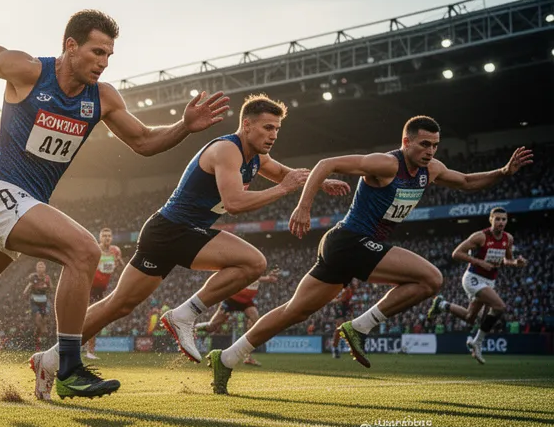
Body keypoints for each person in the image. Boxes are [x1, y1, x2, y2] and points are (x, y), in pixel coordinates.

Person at [0, 9, 231, 400]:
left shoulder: (103, 98)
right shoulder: (28, 71)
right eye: (97, 52)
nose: (104, 62)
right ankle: (68, 367)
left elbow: (145, 142)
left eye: (109, 56)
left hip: (24, 205)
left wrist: (185, 126)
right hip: (0, 193)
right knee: (84, 251)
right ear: (70, 46)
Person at [28, 94, 350, 399]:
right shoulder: (228, 151)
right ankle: (185, 314)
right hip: (173, 231)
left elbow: (285, 172)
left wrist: (319, 182)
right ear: (247, 125)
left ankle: (52, 358)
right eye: (268, 127)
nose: (273, 135)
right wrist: (283, 191)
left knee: (119, 305)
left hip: (168, 233)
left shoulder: (256, 157)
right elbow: (235, 202)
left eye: (277, 129)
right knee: (253, 263)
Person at [208, 116, 533, 394]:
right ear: (406, 141)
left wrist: (503, 171)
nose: (429, 151)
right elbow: (327, 164)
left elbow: (465, 181)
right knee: (431, 278)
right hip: (350, 241)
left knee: (294, 311)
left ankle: (226, 358)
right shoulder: (386, 164)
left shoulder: (431, 169)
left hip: (348, 247)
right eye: (423, 145)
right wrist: (303, 206)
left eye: (434, 145)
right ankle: (360, 327)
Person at [427, 207, 527, 364]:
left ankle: (442, 304)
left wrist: (516, 262)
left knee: (470, 317)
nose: (501, 222)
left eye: (504, 219)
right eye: (498, 219)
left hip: (489, 281)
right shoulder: (480, 236)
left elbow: (507, 260)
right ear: (491, 219)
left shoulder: (508, 239)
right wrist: (479, 262)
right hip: (473, 278)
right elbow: (457, 253)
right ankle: (477, 342)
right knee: (499, 307)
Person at [196, 267, 283, 366]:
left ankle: (248, 357)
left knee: (256, 321)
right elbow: (255, 277)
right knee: (211, 327)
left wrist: (269, 277)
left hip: (245, 303)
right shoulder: (248, 273)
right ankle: (193, 328)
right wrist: (267, 278)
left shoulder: (257, 276)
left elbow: (261, 278)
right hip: (230, 300)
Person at [85, 227, 124, 359]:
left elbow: (119, 266)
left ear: (111, 238)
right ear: (100, 238)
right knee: (92, 319)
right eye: (104, 236)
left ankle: (89, 350)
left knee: (96, 320)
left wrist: (119, 263)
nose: (107, 238)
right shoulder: (95, 250)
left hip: (102, 289)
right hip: (90, 288)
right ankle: (89, 351)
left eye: (109, 236)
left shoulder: (115, 251)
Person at [22, 261, 54, 350]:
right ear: (36, 268)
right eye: (39, 267)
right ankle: (43, 330)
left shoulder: (47, 278)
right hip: (34, 300)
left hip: (44, 299)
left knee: (45, 318)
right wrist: (25, 292)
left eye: (42, 267)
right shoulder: (33, 277)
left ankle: (40, 334)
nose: (40, 268)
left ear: (45, 268)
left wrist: (47, 286)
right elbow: (29, 285)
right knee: (38, 317)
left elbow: (51, 287)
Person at [329, 281, 358, 358]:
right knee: (340, 328)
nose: (356, 284)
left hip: (345, 307)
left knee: (349, 327)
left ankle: (352, 347)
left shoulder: (350, 290)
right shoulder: (346, 290)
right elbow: (341, 300)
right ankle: (335, 348)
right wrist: (333, 301)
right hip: (339, 307)